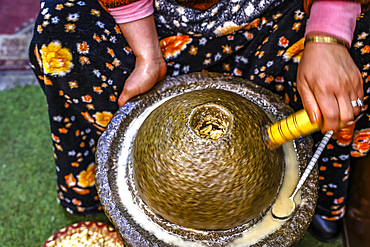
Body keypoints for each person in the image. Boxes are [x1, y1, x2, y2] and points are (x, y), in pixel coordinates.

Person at [29, 0, 370, 242]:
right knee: (60, 31)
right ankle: (127, 190)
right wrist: (146, 51)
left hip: (274, 17)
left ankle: (325, 196)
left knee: (362, 44)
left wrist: (329, 33)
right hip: (157, 20)